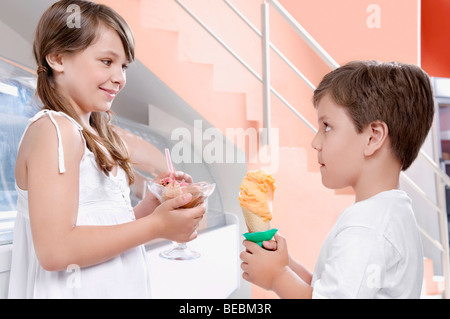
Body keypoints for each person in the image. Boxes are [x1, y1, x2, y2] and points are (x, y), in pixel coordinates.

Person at [8, 0, 205, 298]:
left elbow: (103, 230)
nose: (120, 78)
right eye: (107, 61)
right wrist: (156, 226)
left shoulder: (91, 134)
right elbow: (56, 251)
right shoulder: (55, 131)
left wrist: (150, 207)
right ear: (58, 58)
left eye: (123, 66)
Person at [240, 61, 435, 298]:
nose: (315, 142)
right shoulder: (388, 214)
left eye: (327, 127)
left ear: (373, 137)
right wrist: (286, 265)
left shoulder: (367, 225)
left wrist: (277, 277)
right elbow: (327, 290)